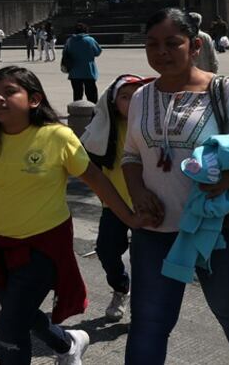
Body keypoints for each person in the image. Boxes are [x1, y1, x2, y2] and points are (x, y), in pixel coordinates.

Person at [121, 7, 229, 364]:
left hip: (222, 230)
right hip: (156, 229)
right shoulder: (141, 96)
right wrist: (137, 192)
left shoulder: (226, 92)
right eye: (152, 44)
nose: (161, 52)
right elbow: (131, 157)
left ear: (195, 45)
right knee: (149, 323)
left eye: (172, 43)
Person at [0, 66, 144, 365]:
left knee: (11, 325)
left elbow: (96, 180)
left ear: (34, 100)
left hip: (44, 247)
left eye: (9, 92)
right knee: (21, 311)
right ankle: (68, 343)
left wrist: (129, 217)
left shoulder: (57, 137)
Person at [79, 74, 153, 322]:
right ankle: (121, 287)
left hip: (149, 205)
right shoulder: (104, 128)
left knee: (145, 260)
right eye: (124, 97)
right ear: (112, 102)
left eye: (137, 96)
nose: (131, 102)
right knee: (107, 251)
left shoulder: (152, 125)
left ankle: (142, 310)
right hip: (114, 205)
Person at [63, 23, 102, 103]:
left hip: (74, 72)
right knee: (92, 95)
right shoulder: (90, 40)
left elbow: (65, 53)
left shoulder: (69, 41)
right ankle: (93, 112)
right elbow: (98, 52)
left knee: (77, 95)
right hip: (88, 71)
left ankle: (77, 112)